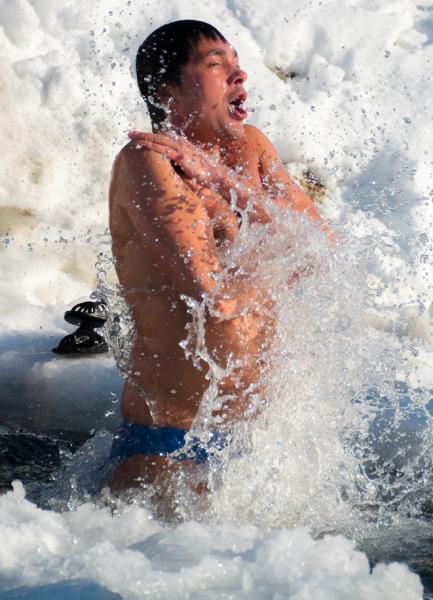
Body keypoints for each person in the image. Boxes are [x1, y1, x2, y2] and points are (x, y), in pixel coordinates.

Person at [107, 20, 326, 495]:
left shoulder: (250, 150)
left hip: (260, 448)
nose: (239, 75)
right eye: (215, 65)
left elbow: (325, 246)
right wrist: (287, 256)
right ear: (168, 95)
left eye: (237, 63)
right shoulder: (150, 162)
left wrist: (221, 179)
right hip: (171, 448)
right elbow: (215, 297)